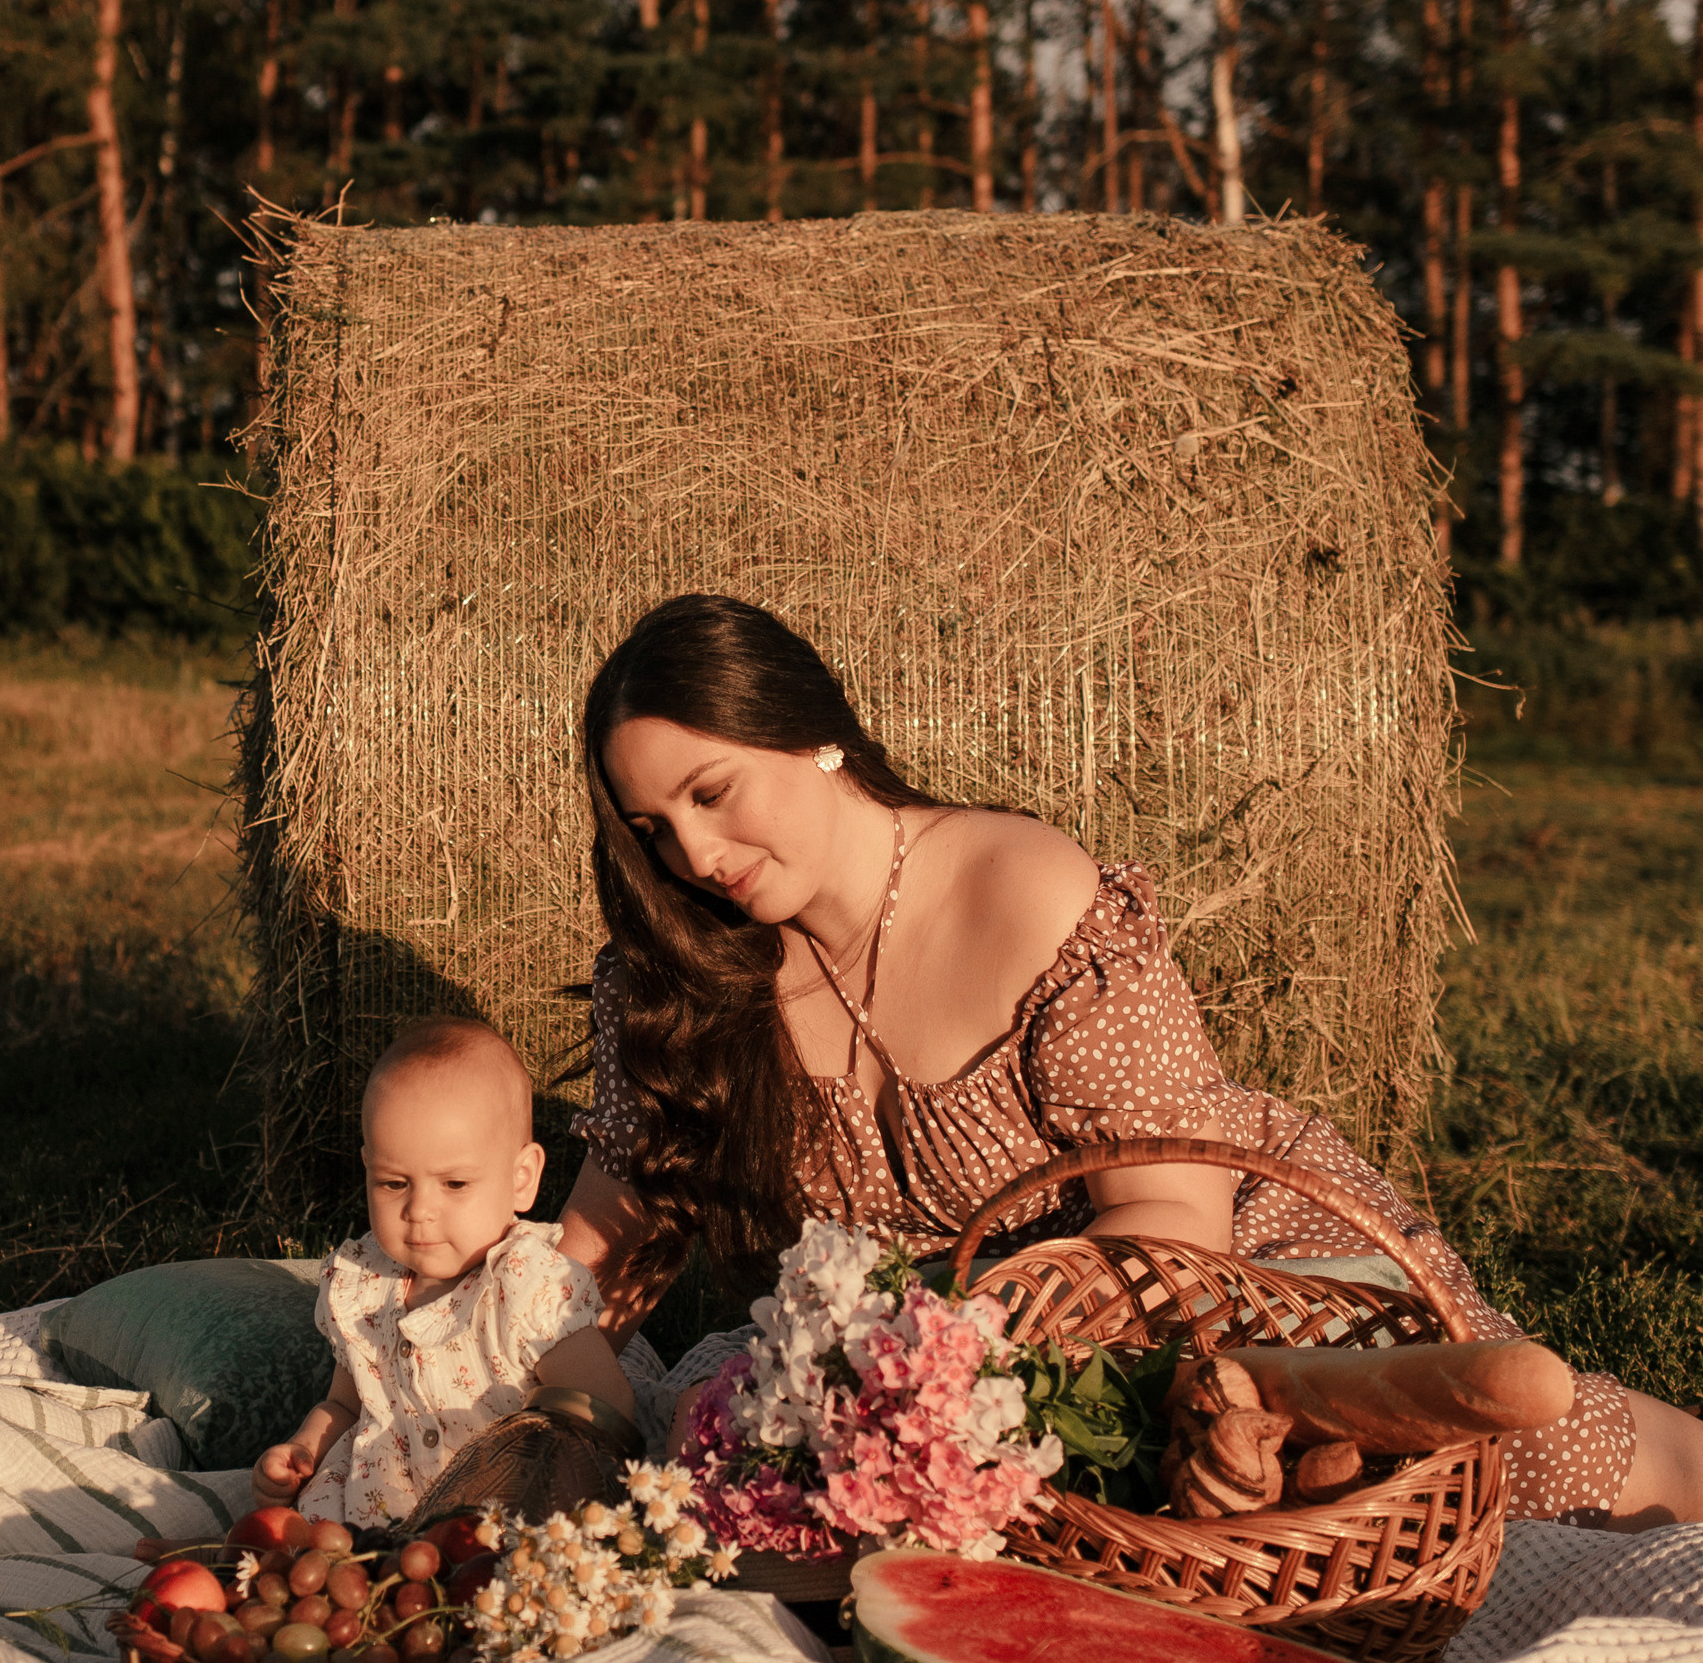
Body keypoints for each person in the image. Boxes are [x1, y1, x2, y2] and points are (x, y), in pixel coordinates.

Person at [554, 594, 1703, 1531]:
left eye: (711, 793)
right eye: (653, 830)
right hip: (948, 1393)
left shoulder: (1023, 891)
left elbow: (1172, 1221)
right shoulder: (683, 974)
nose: (696, 855)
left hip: (1223, 1289)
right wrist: (498, 1364)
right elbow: (605, 1244)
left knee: (1490, 1478)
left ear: (811, 729)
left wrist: (957, 1362)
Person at [254, 1011, 637, 1530]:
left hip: (494, 1522)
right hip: (367, 1514)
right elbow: (345, 1405)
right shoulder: (363, 1285)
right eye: (393, 1184)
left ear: (522, 1179)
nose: (420, 1210)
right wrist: (302, 1448)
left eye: (454, 1184)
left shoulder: (528, 1288)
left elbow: (602, 1413)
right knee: (283, 1547)